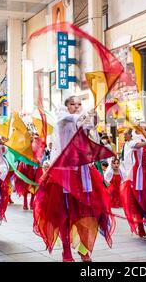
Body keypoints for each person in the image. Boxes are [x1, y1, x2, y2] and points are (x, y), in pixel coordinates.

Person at [34, 96, 114, 262]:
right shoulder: (63, 119)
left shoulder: (80, 121)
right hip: (64, 173)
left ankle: (84, 249)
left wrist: (93, 117)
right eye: (72, 104)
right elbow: (70, 120)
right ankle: (66, 251)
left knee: (86, 213)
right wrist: (84, 116)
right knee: (64, 214)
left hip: (83, 173)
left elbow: (91, 129)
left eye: (79, 104)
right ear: (66, 106)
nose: (76, 107)